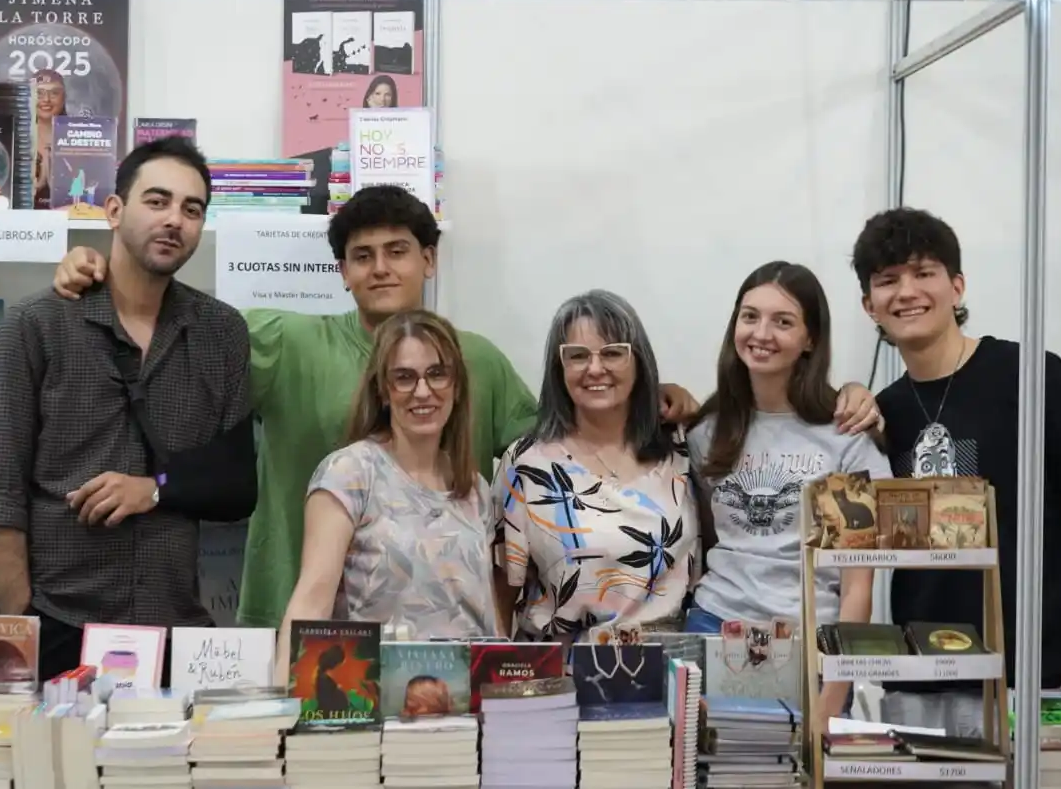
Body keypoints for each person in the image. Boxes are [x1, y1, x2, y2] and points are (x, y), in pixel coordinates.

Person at [50, 186, 880, 629]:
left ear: (430, 261)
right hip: (305, 620)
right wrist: (101, 266)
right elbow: (183, 331)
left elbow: (561, 440)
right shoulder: (287, 342)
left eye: (398, 252)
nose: (381, 269)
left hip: (508, 659)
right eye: (363, 256)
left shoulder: (483, 369)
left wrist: (673, 408)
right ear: (341, 272)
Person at [0, 137, 258, 682]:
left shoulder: (222, 332)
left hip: (175, 630)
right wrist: (23, 622)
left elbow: (237, 486)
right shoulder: (35, 327)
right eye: (157, 201)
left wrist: (151, 488)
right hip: (59, 622)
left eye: (191, 209)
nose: (174, 219)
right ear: (114, 210)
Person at [851, 207, 1061, 735]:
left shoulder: (1030, 374)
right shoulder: (885, 411)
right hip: (919, 677)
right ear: (869, 305)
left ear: (957, 286)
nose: (907, 292)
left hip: (1038, 668)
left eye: (924, 273)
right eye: (887, 280)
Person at [682, 261, 889, 722]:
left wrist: (835, 693)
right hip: (715, 629)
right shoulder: (708, 433)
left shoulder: (845, 435)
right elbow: (711, 539)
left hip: (809, 642)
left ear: (810, 339)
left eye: (783, 321)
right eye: (750, 316)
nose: (762, 333)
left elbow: (858, 585)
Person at [275, 311, 498, 681]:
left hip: (468, 713)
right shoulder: (349, 473)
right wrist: (280, 715)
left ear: (457, 387)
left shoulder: (475, 488)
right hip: (378, 709)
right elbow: (312, 601)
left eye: (437, 373)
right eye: (404, 377)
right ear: (382, 389)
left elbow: (488, 616)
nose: (423, 391)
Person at [494, 290, 701, 643]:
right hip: (560, 673)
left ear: (639, 362)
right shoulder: (526, 464)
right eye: (576, 356)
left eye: (612, 353)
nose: (594, 368)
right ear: (559, 369)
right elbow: (501, 589)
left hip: (667, 670)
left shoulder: (681, 449)